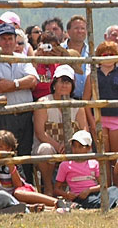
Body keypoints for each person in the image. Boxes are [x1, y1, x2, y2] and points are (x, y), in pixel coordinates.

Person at [0, 19, 39, 165]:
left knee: (25, 154)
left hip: (25, 114)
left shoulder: (23, 58)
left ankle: (26, 185)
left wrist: (13, 84)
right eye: (3, 39)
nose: (7, 42)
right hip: (3, 115)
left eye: (10, 39)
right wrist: (22, 83)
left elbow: (34, 81)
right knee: (2, 154)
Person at [32, 65, 86, 196]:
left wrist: (72, 145)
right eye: (61, 81)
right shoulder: (43, 103)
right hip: (49, 145)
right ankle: (48, 186)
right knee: (45, 149)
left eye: (68, 81)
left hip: (72, 147)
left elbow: (84, 131)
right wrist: (57, 146)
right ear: (54, 83)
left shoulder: (77, 106)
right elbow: (40, 132)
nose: (64, 85)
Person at [82, 41, 118, 155]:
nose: (109, 58)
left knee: (116, 157)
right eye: (105, 55)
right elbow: (86, 101)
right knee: (103, 157)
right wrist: (92, 122)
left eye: (112, 54)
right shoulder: (92, 76)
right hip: (99, 119)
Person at [54, 130, 118, 209]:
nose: (76, 149)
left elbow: (103, 185)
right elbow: (56, 189)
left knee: (113, 189)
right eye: (74, 146)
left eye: (80, 146)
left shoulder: (94, 163)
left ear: (88, 148)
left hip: (95, 193)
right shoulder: (65, 165)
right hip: (79, 197)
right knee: (92, 201)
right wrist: (67, 194)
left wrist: (89, 190)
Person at [0, 130, 66, 210]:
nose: (4, 151)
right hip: (1, 195)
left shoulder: (15, 161)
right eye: (0, 147)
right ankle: (39, 208)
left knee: (18, 193)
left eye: (7, 148)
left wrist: (11, 167)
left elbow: (19, 185)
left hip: (18, 193)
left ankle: (57, 202)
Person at [64, 15, 90, 98]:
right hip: (66, 99)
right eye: (76, 28)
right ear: (68, 31)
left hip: (88, 101)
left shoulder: (92, 52)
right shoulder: (60, 51)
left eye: (83, 28)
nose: (80, 31)